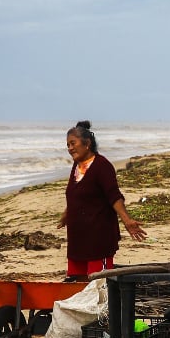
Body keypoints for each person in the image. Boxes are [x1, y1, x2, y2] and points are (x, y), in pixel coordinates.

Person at [58, 120, 147, 280]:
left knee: (98, 284)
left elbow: (114, 196)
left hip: (97, 238)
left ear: (87, 143)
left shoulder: (102, 166)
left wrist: (127, 220)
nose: (70, 148)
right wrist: (67, 214)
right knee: (78, 283)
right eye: (68, 145)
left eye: (73, 143)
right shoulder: (77, 166)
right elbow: (77, 195)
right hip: (77, 239)